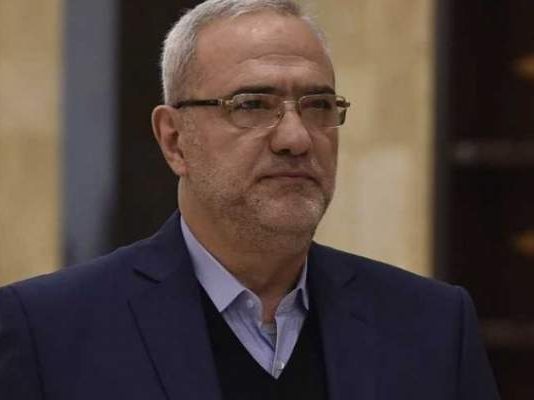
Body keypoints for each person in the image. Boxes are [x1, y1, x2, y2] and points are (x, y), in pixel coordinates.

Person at [0, 1, 499, 399]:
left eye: (319, 105)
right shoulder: (49, 331)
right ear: (174, 140)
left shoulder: (432, 326)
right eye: (252, 105)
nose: (296, 138)